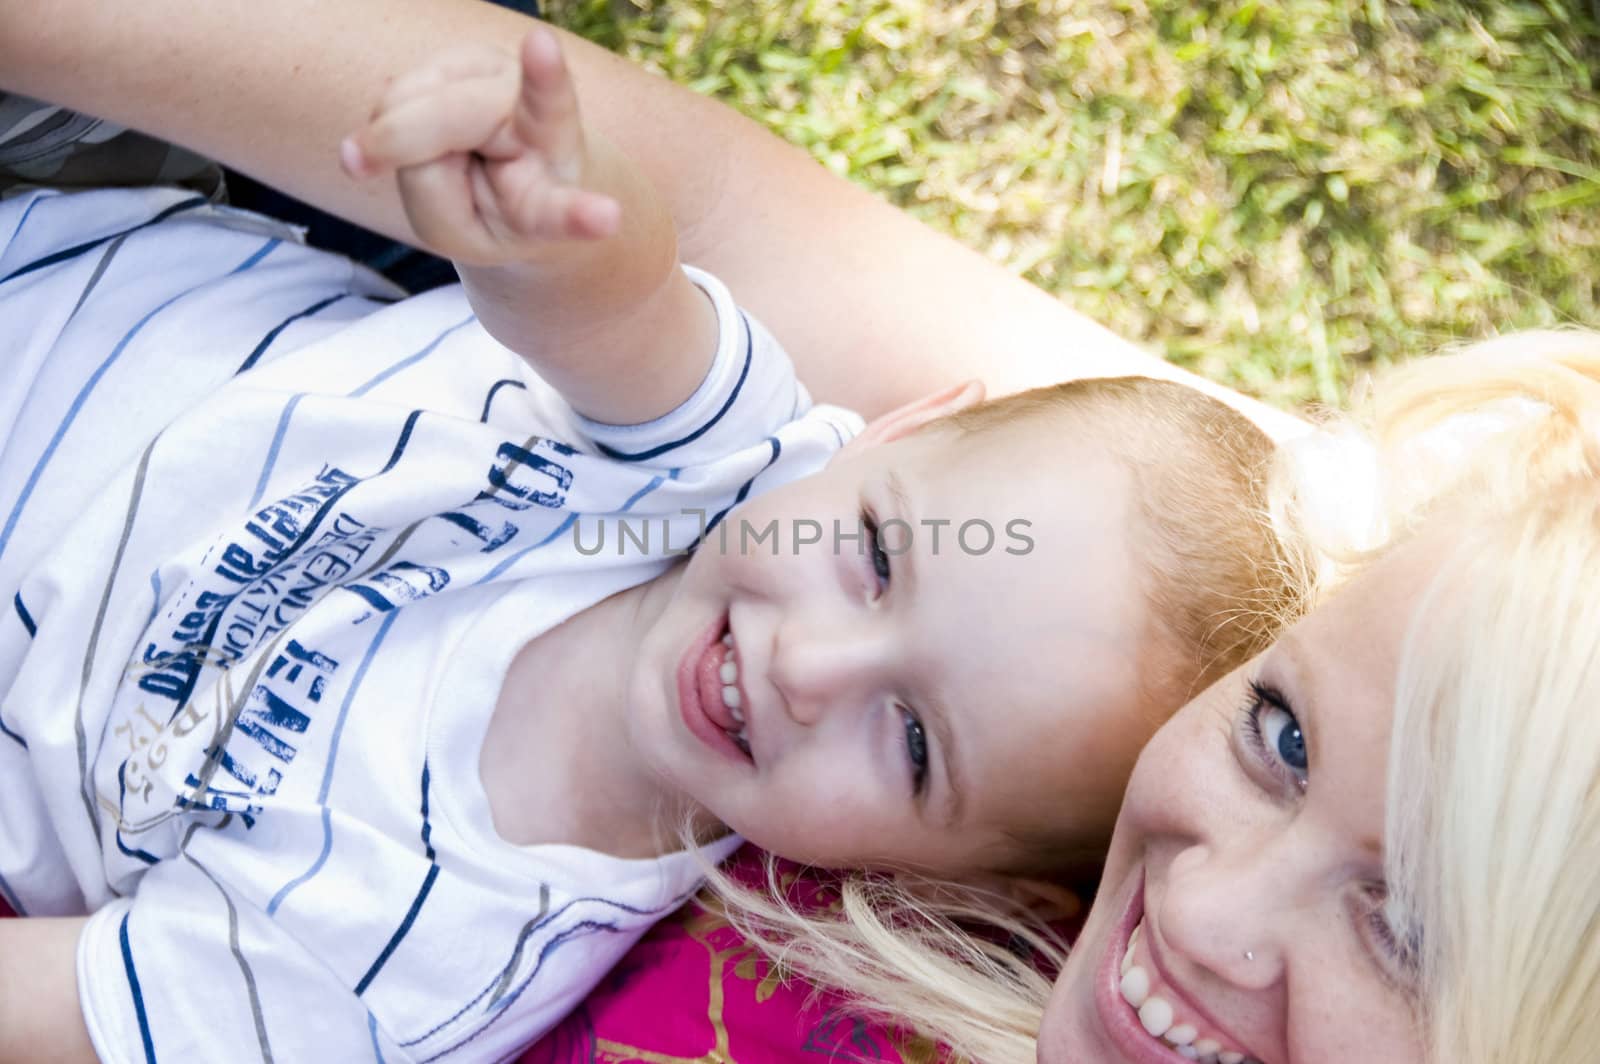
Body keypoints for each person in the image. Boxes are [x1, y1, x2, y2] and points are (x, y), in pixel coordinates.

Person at [0, 24, 1296, 1064]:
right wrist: (545, 200)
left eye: (912, 744)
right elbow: (615, 299)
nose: (814, 669)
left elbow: (71, 1009)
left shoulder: (415, 955)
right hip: (68, 229)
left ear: (939, 879)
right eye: (880, 557)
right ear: (897, 430)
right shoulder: (720, 461)